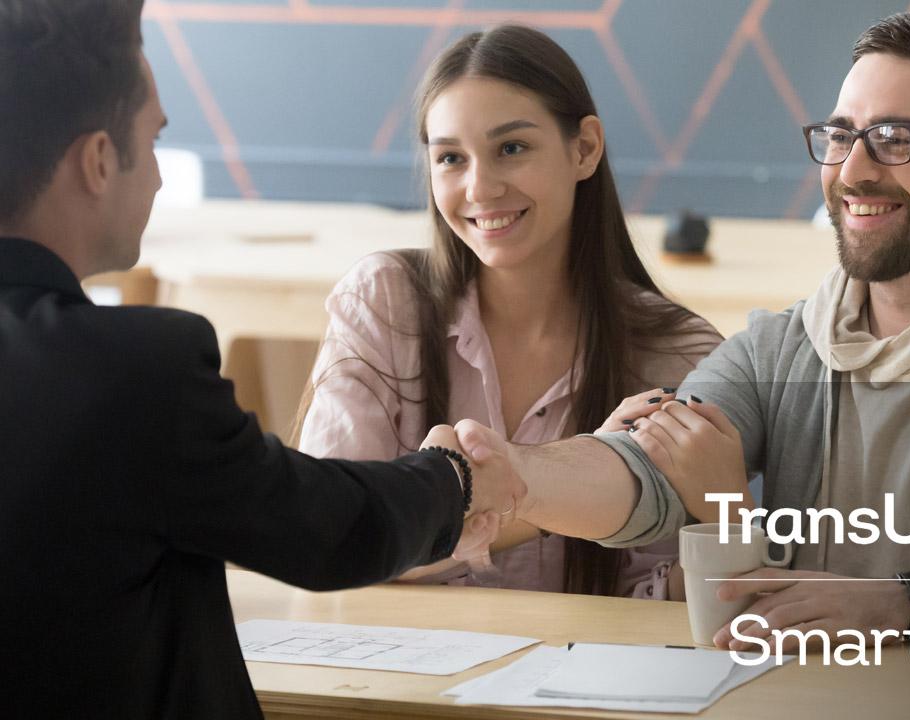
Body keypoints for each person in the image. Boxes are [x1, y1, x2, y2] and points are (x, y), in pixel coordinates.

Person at [452, 11, 910, 647]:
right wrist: (517, 477)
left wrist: (906, 605)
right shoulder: (776, 349)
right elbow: (645, 472)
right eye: (841, 134)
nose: (854, 169)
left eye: (896, 137)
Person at [0, 1, 522, 716]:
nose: (162, 179)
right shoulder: (136, 371)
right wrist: (453, 477)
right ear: (100, 160)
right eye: (154, 138)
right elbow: (325, 533)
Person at [297, 25, 721, 598]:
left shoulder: (679, 353)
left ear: (585, 149)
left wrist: (506, 493)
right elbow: (332, 539)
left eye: (512, 148)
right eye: (450, 158)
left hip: (577, 683)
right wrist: (583, 480)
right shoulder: (384, 300)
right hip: (394, 677)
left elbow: (664, 600)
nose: (480, 187)